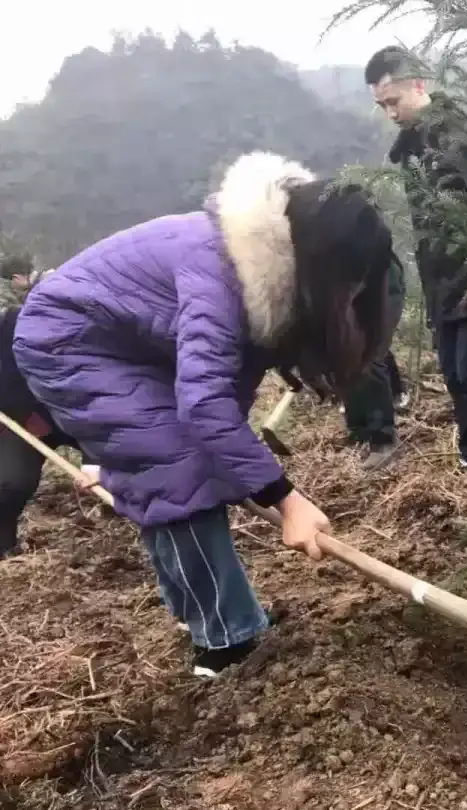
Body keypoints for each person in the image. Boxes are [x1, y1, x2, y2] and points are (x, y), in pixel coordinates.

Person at [13, 151, 396, 678]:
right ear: (316, 261)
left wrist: (203, 464)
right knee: (179, 467)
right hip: (66, 339)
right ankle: (228, 642)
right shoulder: (219, 273)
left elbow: (223, 394)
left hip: (127, 345)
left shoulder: (266, 275)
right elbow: (204, 407)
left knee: (179, 463)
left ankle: (197, 611)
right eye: (346, 286)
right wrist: (286, 501)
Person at [366, 45, 467, 472]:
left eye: (393, 102)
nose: (390, 113)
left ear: (418, 84)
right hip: (441, 283)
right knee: (453, 373)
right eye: (382, 106)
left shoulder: (462, 135)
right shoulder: (413, 148)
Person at [0, 261, 84, 559]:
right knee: (9, 482)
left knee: (125, 464)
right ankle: (4, 546)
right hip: (26, 421)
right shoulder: (8, 324)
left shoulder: (94, 332)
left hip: (86, 415)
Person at [342, 253, 407, 470]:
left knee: (370, 354)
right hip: (347, 284)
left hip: (379, 279)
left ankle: (385, 441)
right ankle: (360, 430)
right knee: (346, 354)